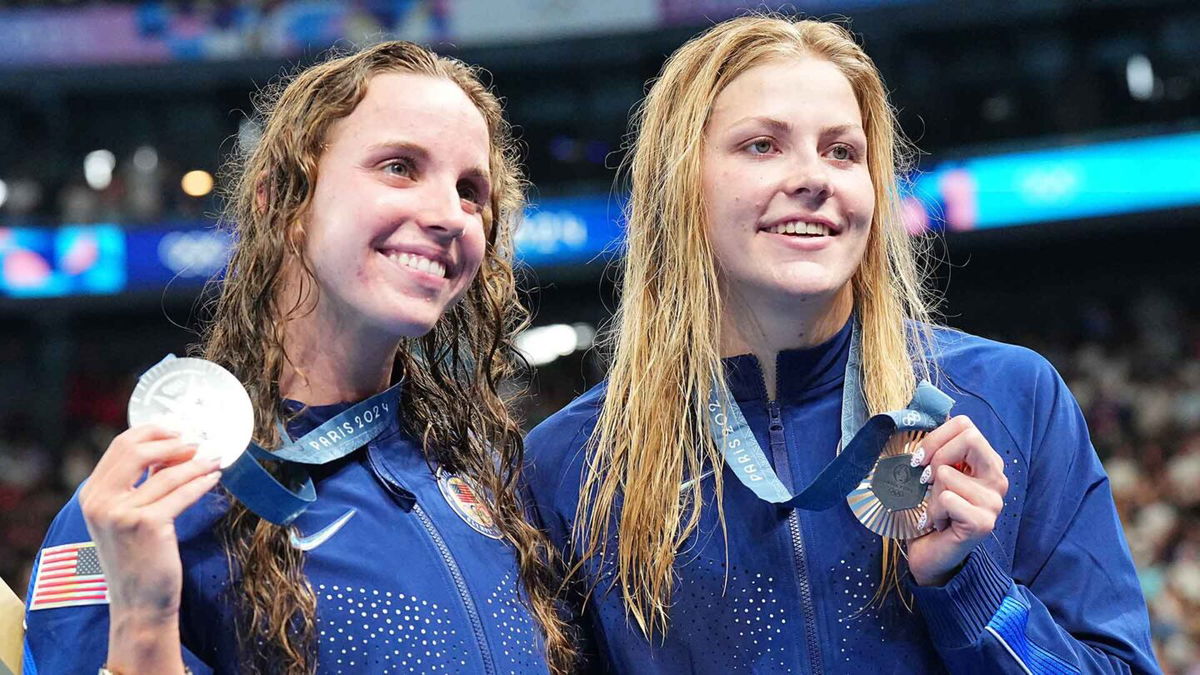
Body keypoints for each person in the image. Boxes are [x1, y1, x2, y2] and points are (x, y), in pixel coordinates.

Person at [523, 16, 1160, 674]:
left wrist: (968, 583)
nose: (813, 177)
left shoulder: (1009, 400)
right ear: (678, 186)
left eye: (842, 151)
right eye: (763, 145)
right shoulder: (573, 465)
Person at [24, 41, 572, 674]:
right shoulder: (148, 504)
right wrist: (145, 624)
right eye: (399, 166)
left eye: (471, 190)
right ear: (280, 198)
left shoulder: (497, 481)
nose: (449, 214)